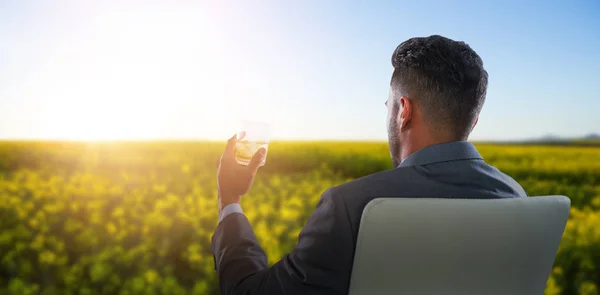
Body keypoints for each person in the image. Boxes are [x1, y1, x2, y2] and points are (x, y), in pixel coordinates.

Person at [212, 35, 527, 295]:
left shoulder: (352, 208)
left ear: (403, 110)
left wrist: (230, 201)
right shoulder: (515, 198)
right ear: (473, 122)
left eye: (389, 105)